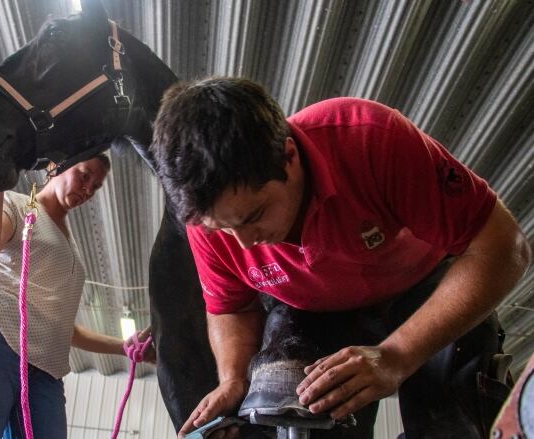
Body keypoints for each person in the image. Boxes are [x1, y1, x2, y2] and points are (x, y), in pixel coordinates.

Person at [148, 78, 532, 438]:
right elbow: (231, 307)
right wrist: (233, 377)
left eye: (254, 216)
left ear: (288, 156)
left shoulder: (369, 139)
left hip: (424, 285)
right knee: (284, 401)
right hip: (309, 309)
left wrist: (396, 355)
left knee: (455, 420)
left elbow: (503, 246)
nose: (245, 245)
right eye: (223, 229)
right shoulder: (211, 223)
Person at [0, 154, 154, 439]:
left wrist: (123, 347)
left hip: (43, 360)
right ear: (56, 166)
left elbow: (64, 329)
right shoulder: (17, 204)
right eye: (85, 175)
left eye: (96, 186)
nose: (88, 189)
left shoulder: (70, 245)